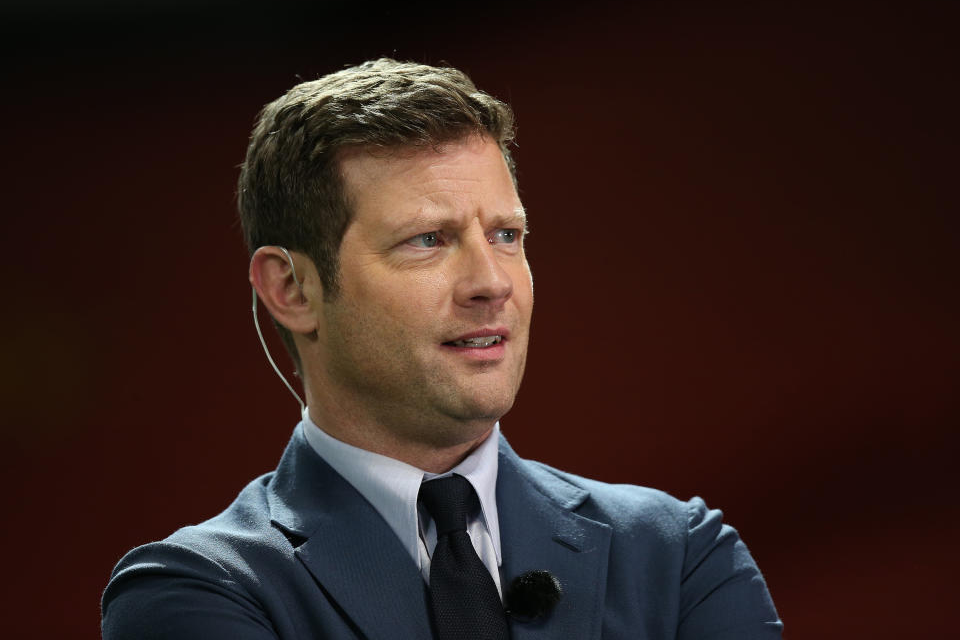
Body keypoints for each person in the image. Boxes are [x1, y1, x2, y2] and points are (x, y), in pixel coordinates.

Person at [101, 58, 782, 639]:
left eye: (507, 236)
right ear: (292, 288)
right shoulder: (198, 590)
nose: (491, 283)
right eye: (427, 239)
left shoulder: (678, 553)